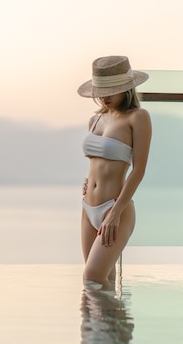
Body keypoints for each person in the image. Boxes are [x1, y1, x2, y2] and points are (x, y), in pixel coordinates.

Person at [77, 55, 151, 289]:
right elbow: (97, 162)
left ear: (126, 88)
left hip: (115, 208)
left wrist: (115, 212)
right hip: (87, 208)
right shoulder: (95, 119)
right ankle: (100, 327)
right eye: (101, 90)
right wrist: (88, 181)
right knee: (101, 284)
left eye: (111, 89)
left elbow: (138, 170)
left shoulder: (138, 117)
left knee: (92, 279)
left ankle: (117, 324)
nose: (104, 96)